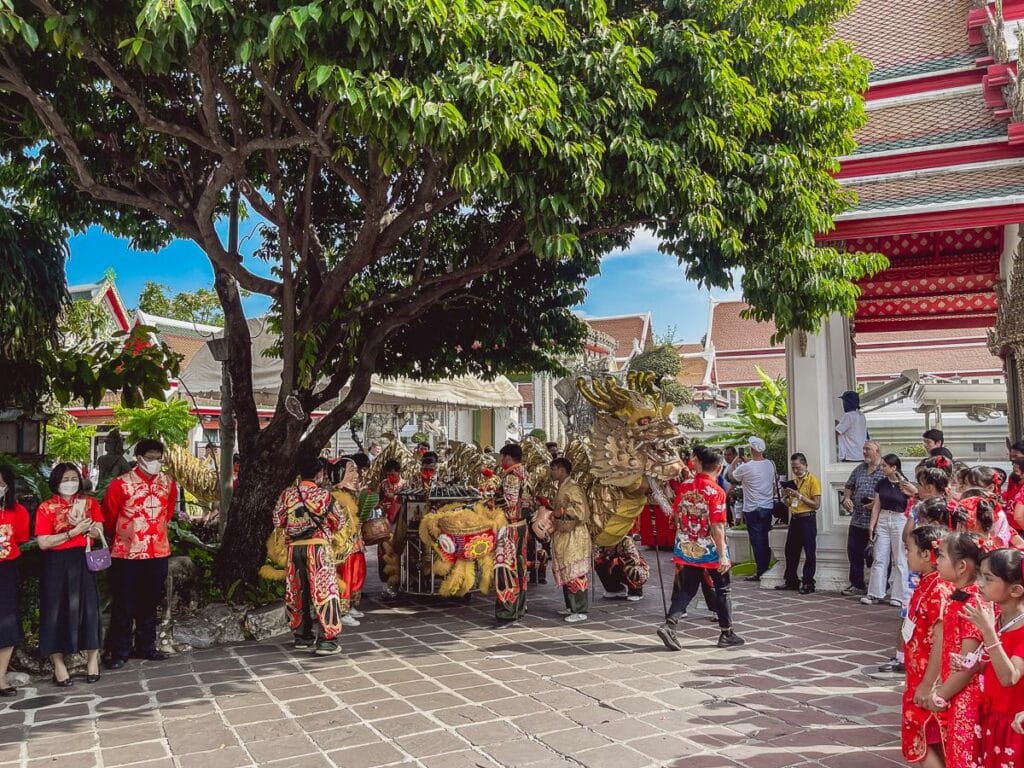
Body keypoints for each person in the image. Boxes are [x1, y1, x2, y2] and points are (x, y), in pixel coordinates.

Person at [656, 446, 744, 651]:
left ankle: (670, 624)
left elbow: (676, 514)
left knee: (687, 588)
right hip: (709, 548)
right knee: (723, 589)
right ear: (719, 467)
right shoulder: (716, 492)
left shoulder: (685, 486)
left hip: (686, 545)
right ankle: (727, 633)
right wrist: (723, 555)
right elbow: (718, 525)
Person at [101, 439, 177, 669]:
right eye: (150, 458)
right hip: (127, 554)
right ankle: (118, 650)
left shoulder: (168, 483)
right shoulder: (121, 484)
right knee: (124, 602)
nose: (155, 462)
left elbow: (169, 511)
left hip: (158, 552)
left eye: (158, 458)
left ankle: (146, 645)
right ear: (139, 458)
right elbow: (109, 516)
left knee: (150, 601)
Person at [35, 464, 105, 687]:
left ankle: (93, 660)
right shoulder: (46, 507)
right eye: (66, 478)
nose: (71, 482)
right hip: (56, 563)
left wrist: (86, 527)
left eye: (74, 478)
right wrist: (71, 532)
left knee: (90, 608)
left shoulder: (89, 503)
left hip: (83, 559)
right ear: (56, 481)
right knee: (54, 611)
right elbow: (43, 542)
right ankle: (59, 664)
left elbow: (99, 532)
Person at [274, 454, 346, 655]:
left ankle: (302, 636)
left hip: (294, 549)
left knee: (298, 591)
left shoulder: (287, 495)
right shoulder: (324, 496)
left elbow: (277, 520)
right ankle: (327, 640)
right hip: (318, 548)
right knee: (325, 591)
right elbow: (339, 522)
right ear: (320, 474)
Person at [927, 532, 986, 768]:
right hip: (955, 691)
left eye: (941, 556)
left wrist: (941, 694)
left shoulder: (972, 604)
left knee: (963, 757)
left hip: (966, 698)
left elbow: (968, 664)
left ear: (961, 566)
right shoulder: (961, 598)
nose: (936, 561)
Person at [964, 547, 1024, 768]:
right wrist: (978, 665)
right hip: (993, 716)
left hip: (1014, 724)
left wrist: (988, 633)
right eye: (980, 575)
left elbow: (1010, 677)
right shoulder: (999, 618)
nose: (979, 583)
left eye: (988, 578)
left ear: (1016, 590)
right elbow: (996, 665)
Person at [900, 526, 950, 768]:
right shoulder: (925, 583)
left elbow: (941, 640)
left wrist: (928, 684)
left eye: (909, 550)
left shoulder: (939, 589)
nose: (906, 555)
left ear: (925, 555)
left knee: (926, 738)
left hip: (930, 679)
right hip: (918, 674)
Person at [542, 457, 591, 623]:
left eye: (554, 469)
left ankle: (580, 609)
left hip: (574, 534)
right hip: (564, 533)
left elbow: (581, 511)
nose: (552, 472)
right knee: (565, 569)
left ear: (562, 470)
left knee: (575, 571)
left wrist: (560, 511)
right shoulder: (562, 487)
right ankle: (571, 606)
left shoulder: (573, 488)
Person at [725, 436, 777, 581]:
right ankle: (764, 567)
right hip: (767, 506)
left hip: (753, 508)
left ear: (752, 449)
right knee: (764, 538)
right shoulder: (769, 464)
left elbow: (730, 476)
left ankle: (761, 570)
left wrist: (736, 460)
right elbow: (757, 468)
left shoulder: (746, 467)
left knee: (756, 540)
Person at [863, 454, 911, 608]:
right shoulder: (881, 484)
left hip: (899, 518)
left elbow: (915, 495)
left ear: (894, 467)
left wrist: (903, 483)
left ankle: (898, 595)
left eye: (885, 466)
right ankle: (875, 592)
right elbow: (877, 505)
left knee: (900, 558)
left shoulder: (904, 484)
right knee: (880, 557)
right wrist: (873, 524)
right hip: (884, 518)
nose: (882, 468)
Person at [0, 466, 30, 697]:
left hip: (7, 570)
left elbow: (21, 538)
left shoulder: (17, 511)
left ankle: (0, 677)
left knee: (7, 622)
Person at [840, 441, 884, 597]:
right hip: (858, 519)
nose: (864, 452)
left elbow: (894, 490)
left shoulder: (885, 469)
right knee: (854, 553)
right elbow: (848, 486)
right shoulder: (859, 469)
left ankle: (880, 586)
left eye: (868, 449)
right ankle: (857, 584)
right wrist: (846, 498)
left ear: (877, 451)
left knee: (879, 555)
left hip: (877, 521)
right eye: (863, 449)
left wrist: (877, 503)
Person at [494, 444, 531, 628]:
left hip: (509, 527)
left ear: (508, 457)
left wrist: (490, 501)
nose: (501, 461)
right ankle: (520, 606)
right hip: (522, 526)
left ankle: (507, 612)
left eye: (502, 458)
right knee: (520, 568)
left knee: (505, 569)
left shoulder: (510, 476)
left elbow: (509, 502)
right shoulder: (524, 472)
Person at [775, 453, 821, 594]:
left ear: (805, 465)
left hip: (807, 518)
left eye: (798, 467)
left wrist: (799, 496)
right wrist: (784, 497)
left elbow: (816, 504)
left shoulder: (812, 480)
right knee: (791, 551)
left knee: (809, 551)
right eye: (793, 468)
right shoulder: (795, 481)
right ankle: (791, 580)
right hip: (795, 518)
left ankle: (808, 582)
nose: (796, 470)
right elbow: (790, 503)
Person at [331, 458, 367, 627]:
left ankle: (352, 604)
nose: (356, 474)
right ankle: (342, 609)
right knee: (345, 575)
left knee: (358, 573)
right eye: (351, 470)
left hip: (356, 541)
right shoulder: (336, 494)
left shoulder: (353, 493)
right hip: (344, 544)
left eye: (355, 470)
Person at [835, 390, 868, 462]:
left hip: (850, 456)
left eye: (844, 402)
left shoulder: (848, 416)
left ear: (848, 403)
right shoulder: (861, 415)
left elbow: (837, 432)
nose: (843, 405)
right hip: (860, 455)